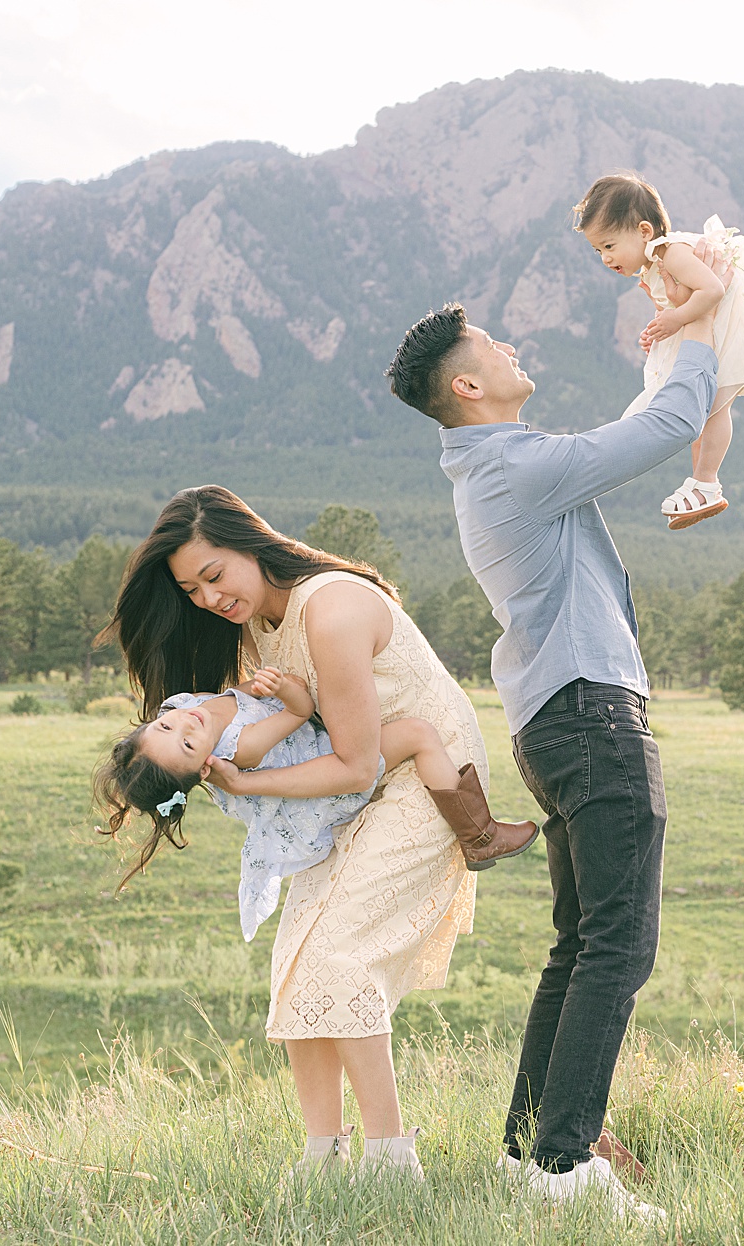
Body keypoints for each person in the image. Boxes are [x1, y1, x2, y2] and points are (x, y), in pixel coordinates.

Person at [383, 300, 718, 1222]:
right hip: (592, 720)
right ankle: (563, 1167)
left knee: (581, 946)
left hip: (557, 723)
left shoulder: (495, 471)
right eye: (495, 345)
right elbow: (669, 425)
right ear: (467, 384)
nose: (512, 347)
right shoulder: (516, 467)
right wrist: (701, 327)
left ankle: (528, 1154)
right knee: (618, 944)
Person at [109, 486, 535, 1180]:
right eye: (192, 591)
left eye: (214, 576)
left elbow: (354, 761)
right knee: (295, 964)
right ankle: (322, 1158)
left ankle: (391, 1159)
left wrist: (248, 785)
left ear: (247, 542)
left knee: (338, 959)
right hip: (346, 789)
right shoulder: (258, 625)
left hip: (417, 776)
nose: (209, 600)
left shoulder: (329, 610)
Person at [96, 663, 531, 942]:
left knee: (415, 732)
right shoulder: (240, 747)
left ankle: (476, 831)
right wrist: (285, 689)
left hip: (321, 749)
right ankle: (479, 836)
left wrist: (257, 683)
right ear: (207, 766)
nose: (185, 725)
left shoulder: (186, 707)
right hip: (327, 771)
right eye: (189, 745)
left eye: (167, 726)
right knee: (419, 734)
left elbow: (240, 696)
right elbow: (298, 712)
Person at [573, 171, 744, 527]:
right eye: (598, 251)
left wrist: (674, 321)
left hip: (735, 330)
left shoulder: (669, 252)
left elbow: (712, 290)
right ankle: (701, 483)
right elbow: (682, 304)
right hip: (717, 329)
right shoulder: (654, 264)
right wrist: (661, 327)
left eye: (609, 246)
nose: (605, 259)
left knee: (713, 406)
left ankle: (707, 483)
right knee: (701, 407)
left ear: (643, 231)